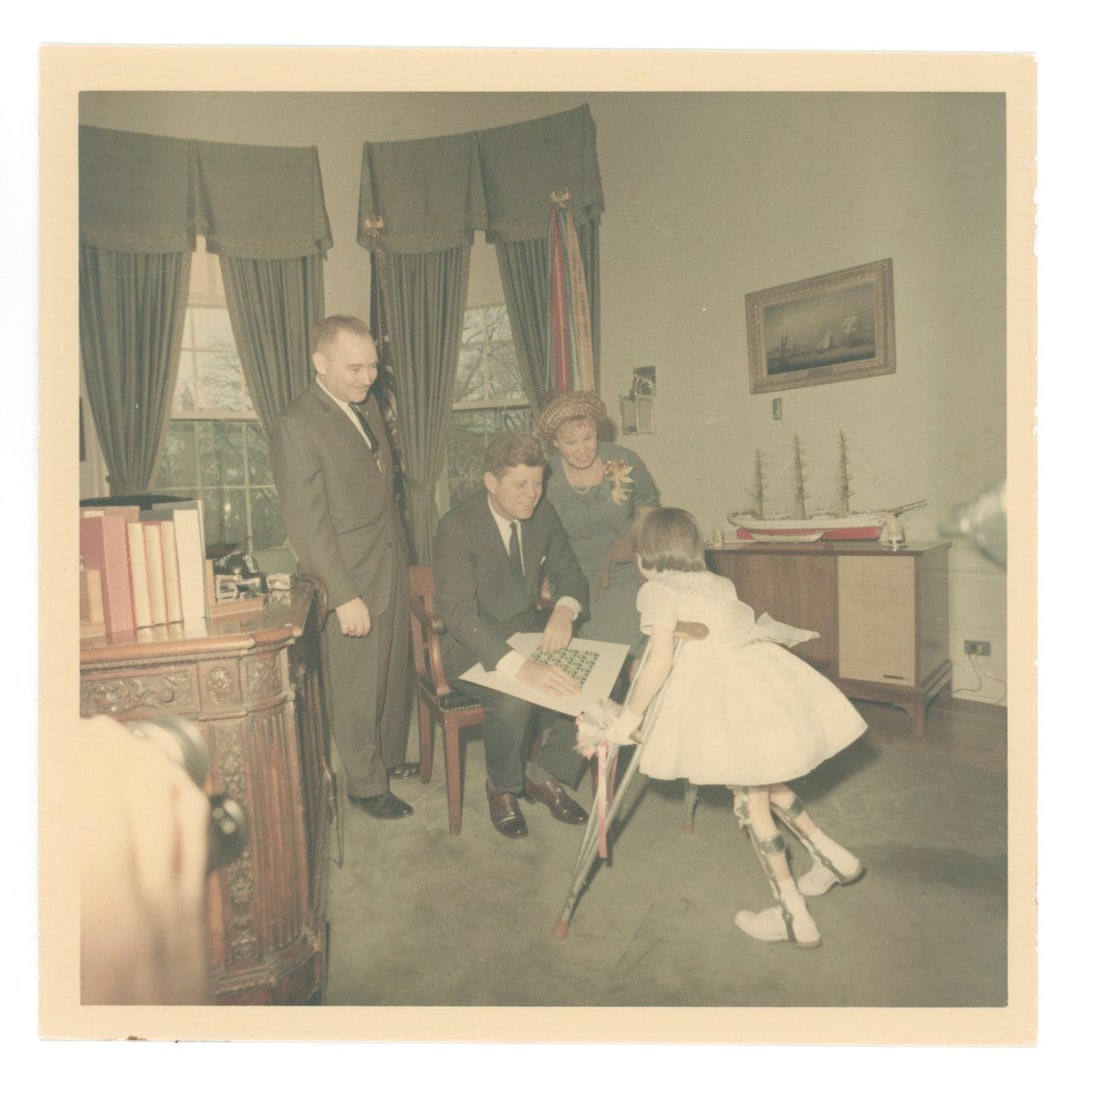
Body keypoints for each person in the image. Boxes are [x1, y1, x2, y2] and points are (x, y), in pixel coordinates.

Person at [578, 507, 868, 947]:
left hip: (723, 702)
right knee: (763, 782)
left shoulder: (656, 590)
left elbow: (657, 662)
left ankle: (792, 914)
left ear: (645, 557)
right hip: (759, 686)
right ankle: (833, 858)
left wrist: (629, 717)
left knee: (753, 805)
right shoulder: (718, 582)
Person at [271, 315, 414, 821]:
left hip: (389, 557)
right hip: (349, 573)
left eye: (373, 366)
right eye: (355, 367)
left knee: (391, 670)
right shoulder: (297, 423)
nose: (367, 377)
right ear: (320, 364)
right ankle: (365, 785)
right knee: (356, 684)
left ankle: (388, 759)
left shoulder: (368, 405)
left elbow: (381, 486)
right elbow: (307, 525)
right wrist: (343, 593)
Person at [433, 432, 591, 840]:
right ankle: (502, 786)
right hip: (471, 645)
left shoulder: (542, 513)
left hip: (531, 632)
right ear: (491, 482)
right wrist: (521, 669)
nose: (532, 495)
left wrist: (563, 609)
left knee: (606, 682)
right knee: (514, 700)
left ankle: (545, 771)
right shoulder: (457, 526)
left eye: (538, 483)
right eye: (520, 484)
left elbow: (570, 571)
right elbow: (457, 614)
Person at [537, 391, 658, 658]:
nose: (582, 450)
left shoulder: (625, 460)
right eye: (571, 442)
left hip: (626, 571)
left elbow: (648, 507)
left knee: (625, 647)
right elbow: (540, 535)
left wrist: (636, 543)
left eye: (588, 438)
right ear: (555, 442)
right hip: (574, 577)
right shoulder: (546, 478)